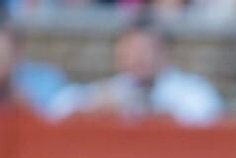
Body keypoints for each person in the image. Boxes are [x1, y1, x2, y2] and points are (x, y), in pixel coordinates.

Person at [48, 14, 222, 127]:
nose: (138, 58)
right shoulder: (115, 89)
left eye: (145, 50)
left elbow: (206, 117)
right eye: (130, 50)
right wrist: (95, 105)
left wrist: (156, 114)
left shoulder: (191, 90)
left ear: (165, 52)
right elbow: (58, 107)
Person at [0, 17, 67, 115]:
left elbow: (61, 112)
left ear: (18, 51)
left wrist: (27, 105)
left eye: (3, 57)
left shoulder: (45, 79)